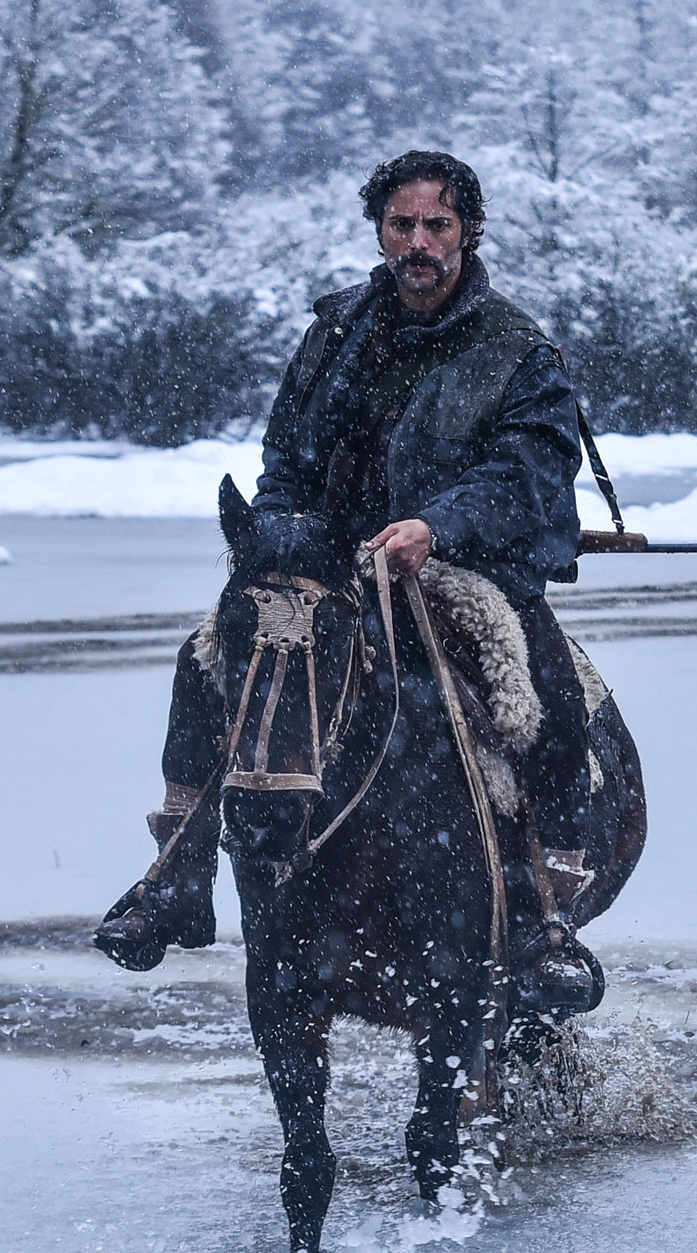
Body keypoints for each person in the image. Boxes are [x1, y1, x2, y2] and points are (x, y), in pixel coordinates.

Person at [95, 150, 600, 1011]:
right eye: (401, 225)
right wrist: (280, 539)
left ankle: (550, 913)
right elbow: (285, 454)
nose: (418, 243)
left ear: (467, 232)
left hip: (462, 569)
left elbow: (528, 476)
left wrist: (434, 527)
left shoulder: (519, 351)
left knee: (540, 688)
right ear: (380, 229)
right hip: (327, 570)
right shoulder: (334, 330)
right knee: (207, 657)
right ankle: (175, 875)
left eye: (436, 225)